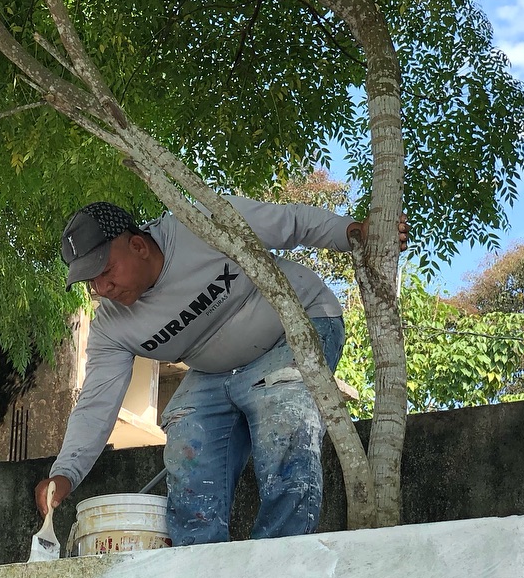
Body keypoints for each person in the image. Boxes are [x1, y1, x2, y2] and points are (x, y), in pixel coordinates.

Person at [34, 197, 408, 547]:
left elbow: (290, 223)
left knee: (283, 412)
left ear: (137, 246)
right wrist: (65, 473)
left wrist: (353, 232)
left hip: (297, 327)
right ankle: (203, 573)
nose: (102, 288)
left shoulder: (199, 224)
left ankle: (278, 564)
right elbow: (96, 404)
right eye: (91, 281)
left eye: (106, 271)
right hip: (215, 372)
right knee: (185, 438)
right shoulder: (112, 327)